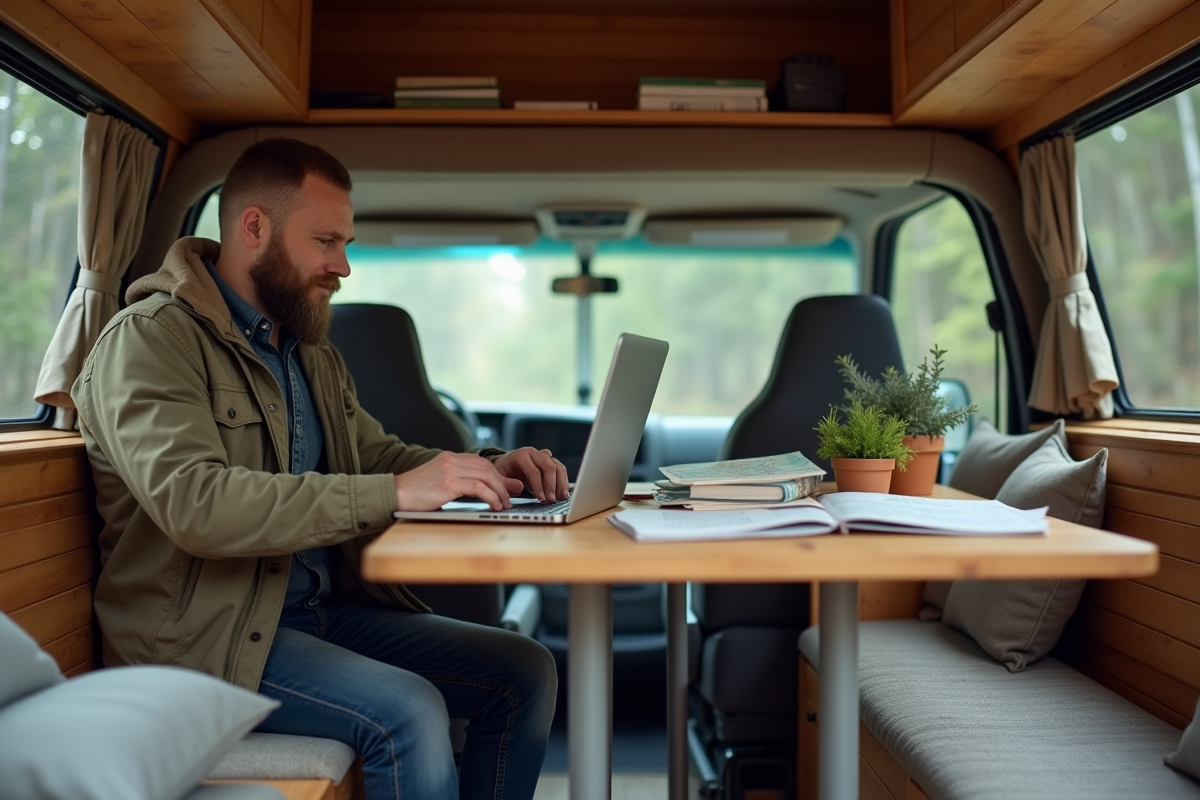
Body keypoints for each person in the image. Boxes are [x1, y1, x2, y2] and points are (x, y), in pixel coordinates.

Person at [71, 138, 564, 800]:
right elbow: (197, 506)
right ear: (254, 228)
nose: (344, 266)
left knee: (524, 670)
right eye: (327, 242)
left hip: (317, 613)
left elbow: (377, 458)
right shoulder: (150, 340)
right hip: (203, 642)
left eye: (347, 243)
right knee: (409, 712)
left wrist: (489, 468)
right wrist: (393, 492)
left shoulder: (306, 351)